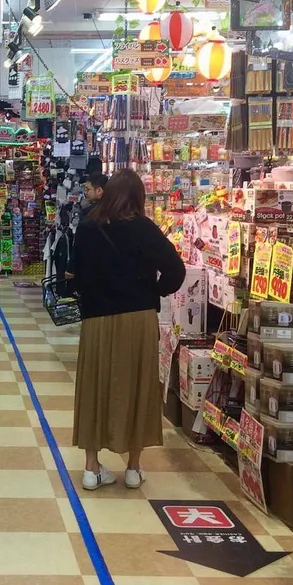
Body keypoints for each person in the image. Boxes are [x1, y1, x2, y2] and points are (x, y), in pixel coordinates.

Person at [72, 169, 185, 491]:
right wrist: (155, 290)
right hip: (137, 317)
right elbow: (175, 270)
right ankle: (134, 467)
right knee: (138, 387)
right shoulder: (144, 229)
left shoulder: (88, 227)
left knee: (94, 387)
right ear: (138, 197)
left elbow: (76, 275)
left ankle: (92, 469)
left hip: (96, 319)